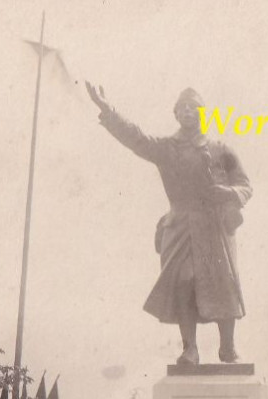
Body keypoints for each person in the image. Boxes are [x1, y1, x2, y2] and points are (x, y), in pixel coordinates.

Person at [85, 83, 252, 366]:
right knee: (183, 282)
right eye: (182, 107)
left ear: (203, 113)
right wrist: (107, 109)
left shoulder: (220, 149)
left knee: (223, 284)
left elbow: (245, 185)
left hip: (214, 228)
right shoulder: (166, 149)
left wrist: (230, 193)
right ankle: (190, 349)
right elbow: (135, 138)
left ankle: (227, 347)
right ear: (175, 114)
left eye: (194, 107)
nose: (188, 111)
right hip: (181, 224)